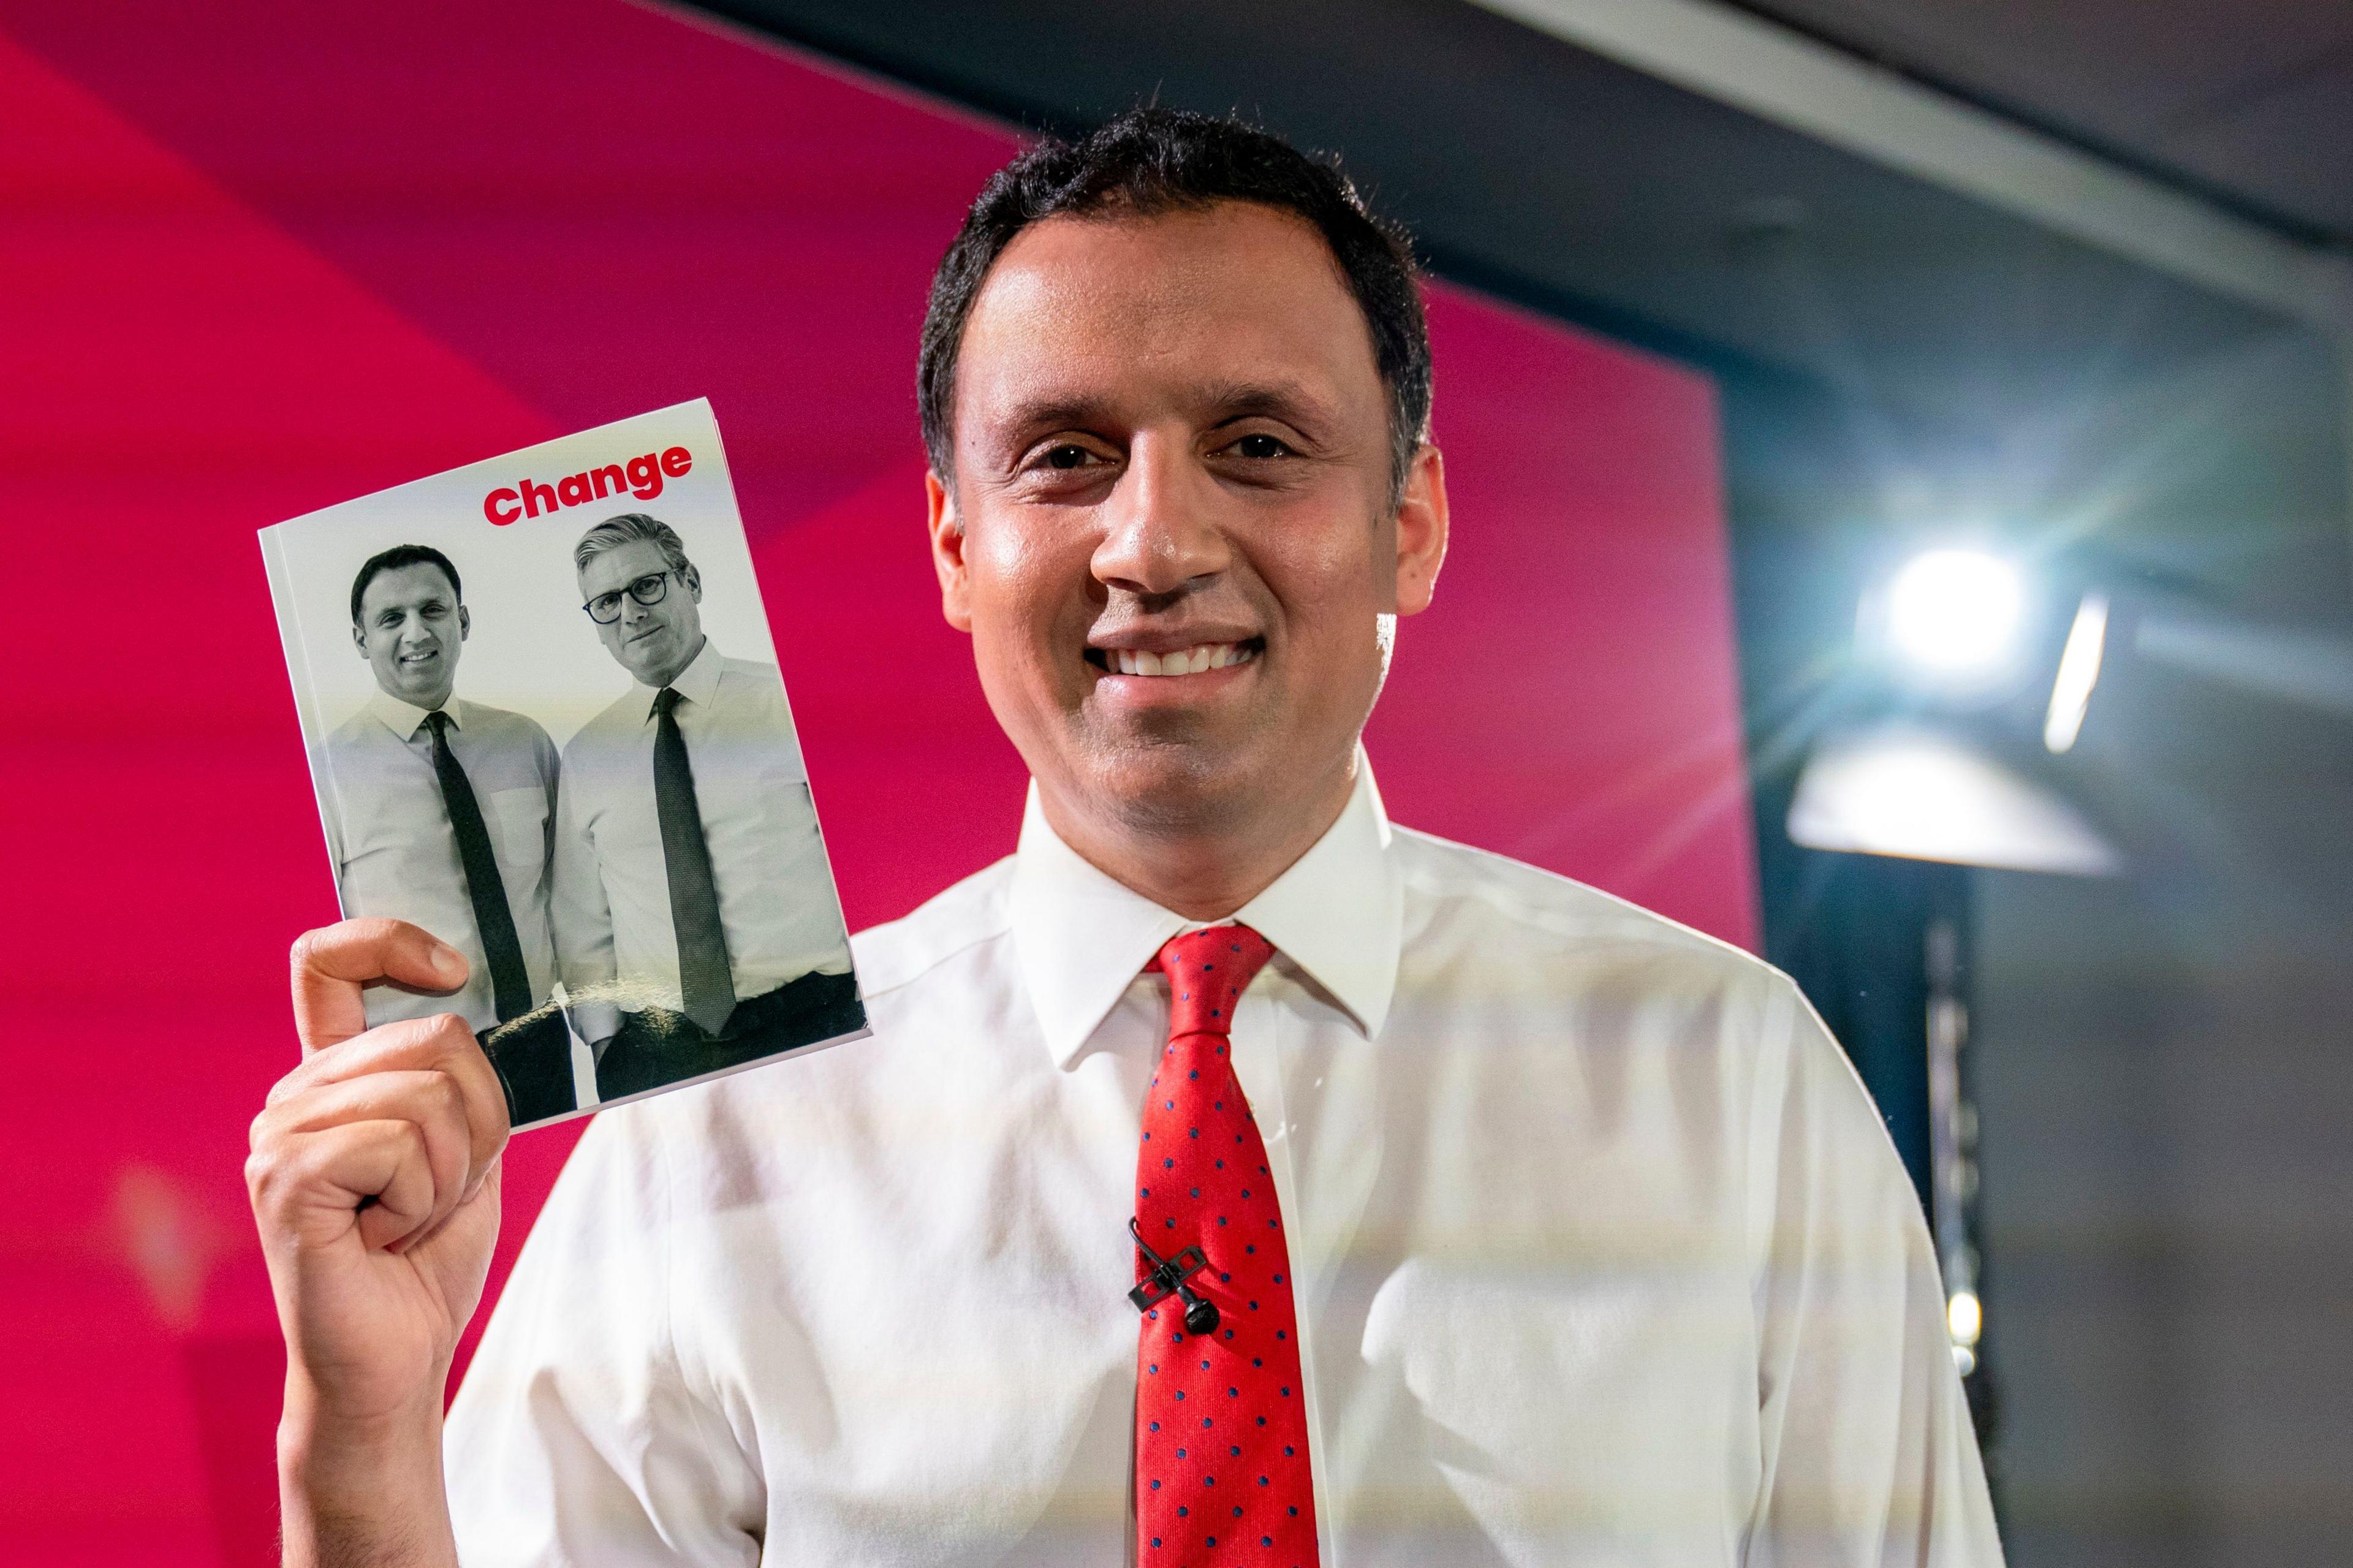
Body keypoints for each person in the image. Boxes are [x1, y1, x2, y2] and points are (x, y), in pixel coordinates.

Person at [248, 111, 2002, 1567]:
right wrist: (367, 1425)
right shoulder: (715, 1126)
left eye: (1257, 443)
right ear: (952, 543)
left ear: (1411, 520)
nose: (1151, 540)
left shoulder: (1728, 1073)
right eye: (1068, 456)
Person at [551, 512, 858, 1101]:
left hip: (818, 1016)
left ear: (689, 580)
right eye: (607, 602)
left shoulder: (788, 702)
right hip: (661, 1053)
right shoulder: (587, 756)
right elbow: (582, 922)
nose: (631, 613)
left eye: (646, 585)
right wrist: (605, 1048)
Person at [317, 543, 574, 1126]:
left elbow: (571, 892)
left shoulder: (524, 741)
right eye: (391, 618)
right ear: (361, 640)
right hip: (417, 1065)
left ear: (462, 621)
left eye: (433, 610)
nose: (417, 631)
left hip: (539, 1040)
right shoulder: (327, 775)